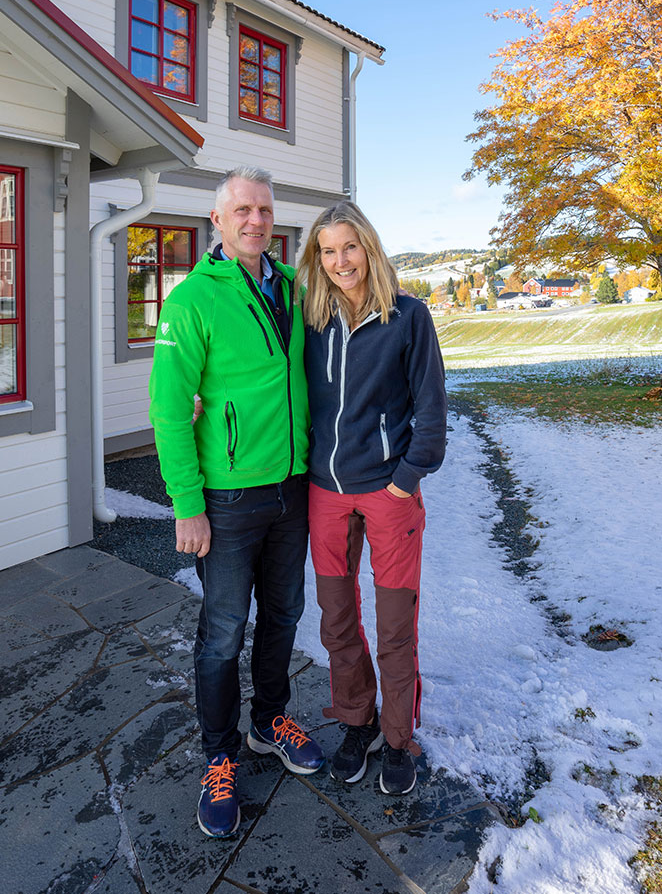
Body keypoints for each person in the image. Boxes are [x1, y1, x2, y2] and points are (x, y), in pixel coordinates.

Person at [149, 165, 324, 839]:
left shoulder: (289, 288)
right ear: (216, 222)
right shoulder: (193, 298)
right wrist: (186, 503)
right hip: (225, 498)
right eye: (242, 210)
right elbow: (169, 409)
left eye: (264, 210)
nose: (256, 220)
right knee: (223, 631)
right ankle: (219, 756)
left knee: (284, 610)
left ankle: (268, 721)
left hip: (293, 485)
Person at [297, 202, 447, 795]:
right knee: (337, 620)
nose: (341, 261)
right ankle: (355, 720)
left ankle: (397, 737)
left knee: (393, 626)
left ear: (370, 248)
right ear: (318, 258)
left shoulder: (408, 317)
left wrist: (405, 479)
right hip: (325, 493)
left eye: (350, 247)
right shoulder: (309, 320)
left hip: (388, 493)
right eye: (328, 251)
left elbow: (432, 412)